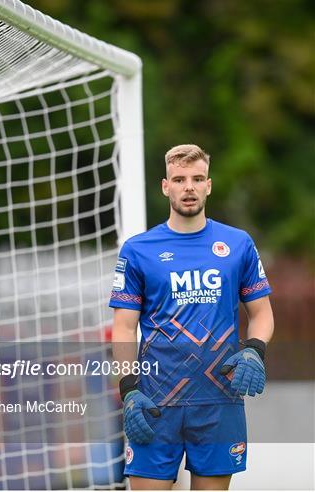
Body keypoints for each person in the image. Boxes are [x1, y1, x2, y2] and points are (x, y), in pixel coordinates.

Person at [110, 144, 274, 490]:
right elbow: (123, 327)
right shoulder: (138, 250)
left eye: (197, 179)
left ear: (208, 185)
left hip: (219, 400)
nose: (189, 187)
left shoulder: (238, 244)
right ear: (165, 186)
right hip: (155, 403)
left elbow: (261, 314)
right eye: (180, 179)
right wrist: (128, 391)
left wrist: (254, 349)